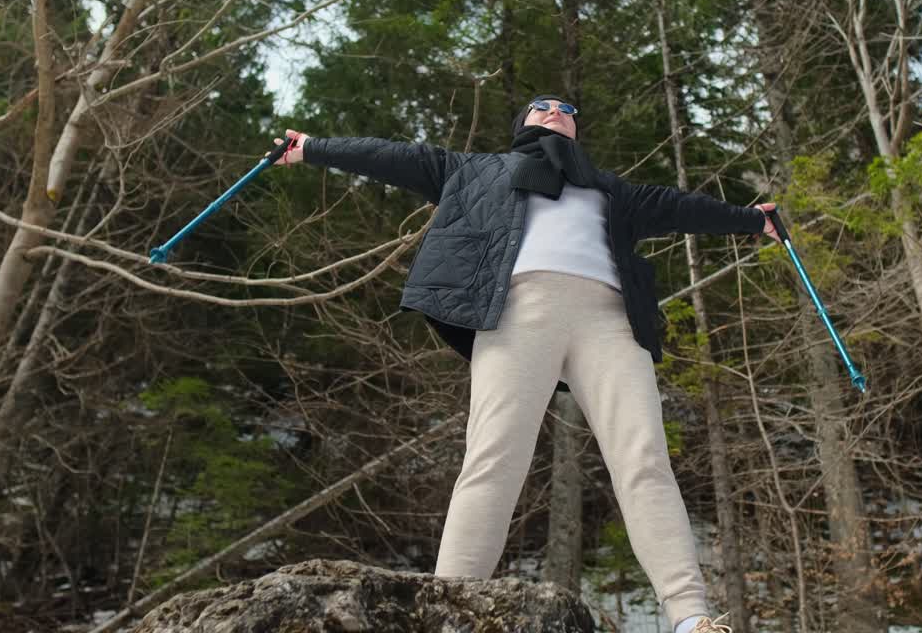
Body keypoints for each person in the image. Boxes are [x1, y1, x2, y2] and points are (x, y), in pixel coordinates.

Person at [273, 95, 783, 633]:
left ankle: (691, 618)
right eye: (542, 106)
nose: (557, 111)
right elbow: (392, 156)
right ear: (522, 123)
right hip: (519, 312)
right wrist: (313, 149)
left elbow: (684, 207)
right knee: (494, 457)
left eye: (568, 109)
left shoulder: (612, 190)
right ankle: (449, 605)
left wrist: (754, 221)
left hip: (610, 322)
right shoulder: (473, 169)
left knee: (645, 460)